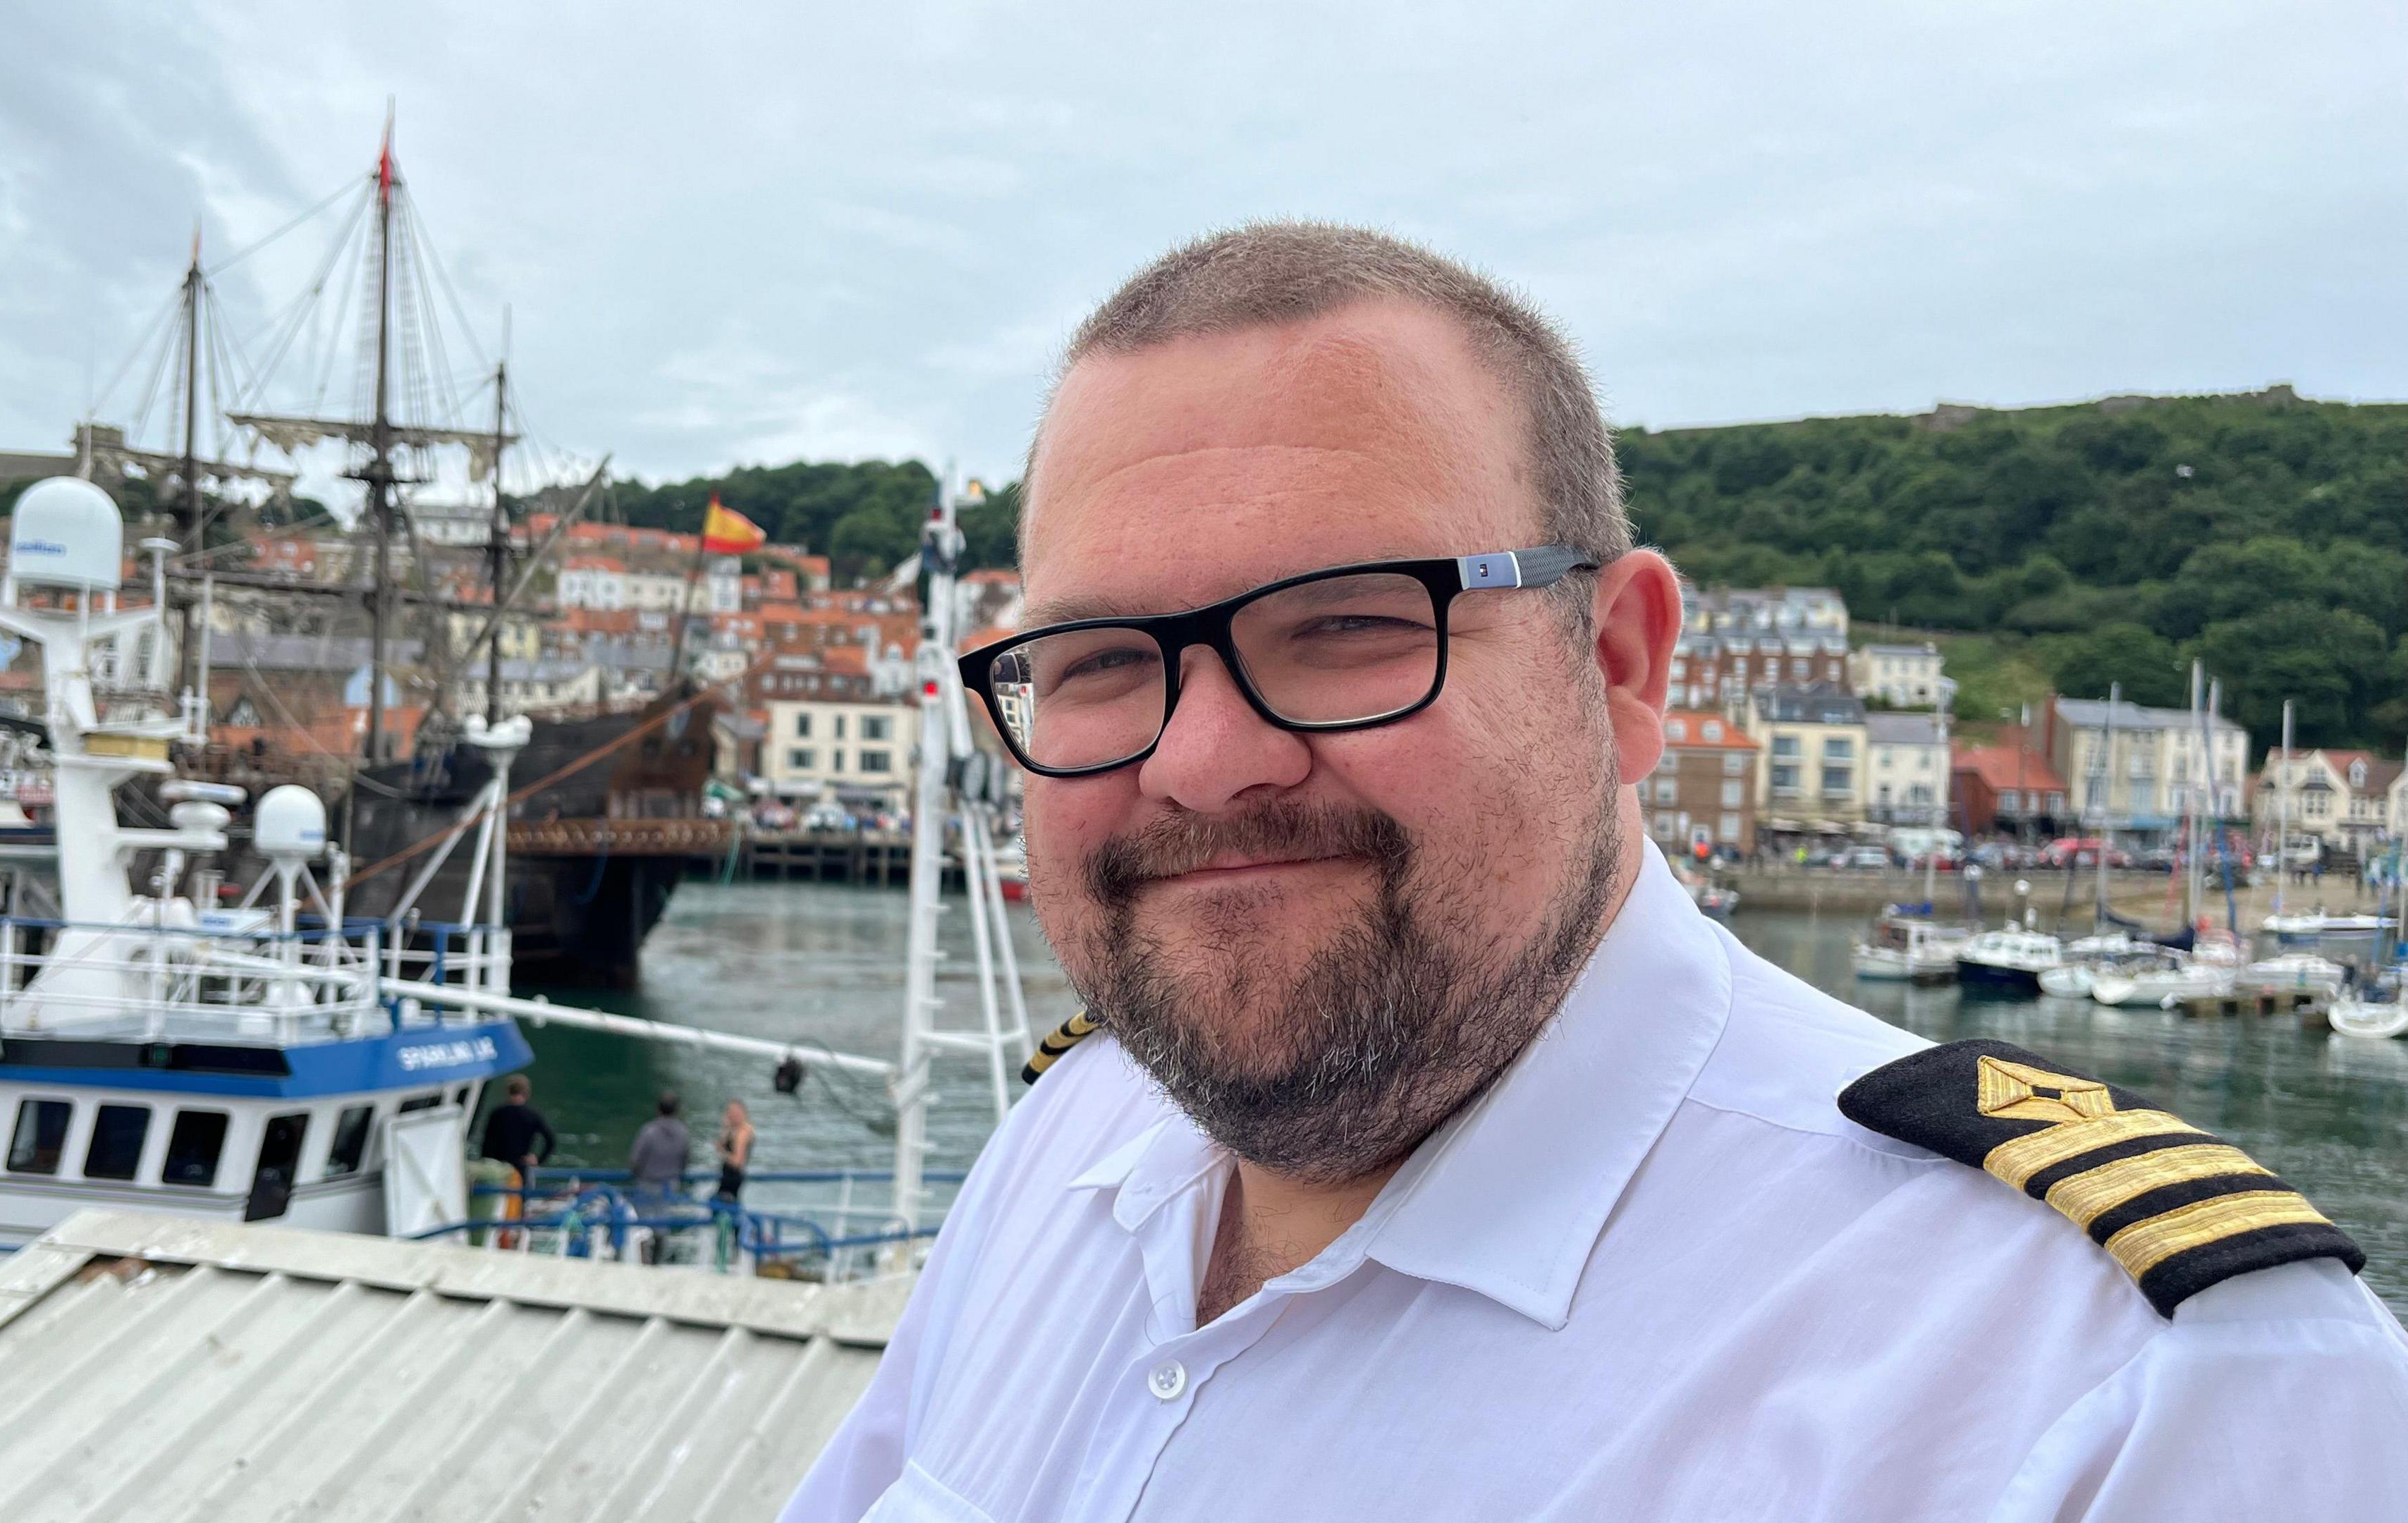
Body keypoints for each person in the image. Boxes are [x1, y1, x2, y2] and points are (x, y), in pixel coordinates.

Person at [783, 223, 2408, 1522]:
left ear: (1619, 664)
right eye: (1097, 660)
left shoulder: (2126, 1394)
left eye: (1347, 623)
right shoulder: (1059, 1150)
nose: (1202, 760)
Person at [479, 1075, 557, 1187]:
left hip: (497, 1168)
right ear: (527, 1092)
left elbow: (487, 1143)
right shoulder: (533, 1115)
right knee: (519, 1199)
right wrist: (539, 1160)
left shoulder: (497, 1113)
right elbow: (551, 1140)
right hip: (520, 1167)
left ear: (507, 1090)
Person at [628, 1090, 690, 1199]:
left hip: (647, 1184)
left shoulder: (648, 1131)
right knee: (665, 1214)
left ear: (658, 1109)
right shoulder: (683, 1132)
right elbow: (685, 1160)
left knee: (644, 1214)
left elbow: (635, 1160)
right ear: (676, 1110)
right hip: (671, 1185)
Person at [714, 1099, 754, 1203]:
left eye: (734, 1113)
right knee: (718, 1203)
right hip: (727, 1175)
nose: (731, 1116)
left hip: (733, 1177)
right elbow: (721, 1144)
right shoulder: (734, 1130)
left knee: (722, 1205)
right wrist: (726, 1127)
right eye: (729, 1113)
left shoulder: (743, 1132)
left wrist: (723, 1153)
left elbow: (737, 1162)